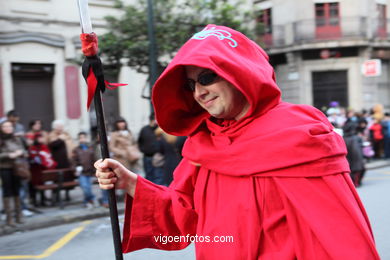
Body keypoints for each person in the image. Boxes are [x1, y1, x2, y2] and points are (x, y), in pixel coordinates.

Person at [95, 25, 380, 259]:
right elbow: (183, 217)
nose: (199, 92)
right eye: (190, 84)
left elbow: (341, 241)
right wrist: (130, 182)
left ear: (240, 72)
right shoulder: (203, 145)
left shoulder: (298, 135)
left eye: (207, 77)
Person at [0, 121, 27, 227]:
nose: (8, 128)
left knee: (17, 191)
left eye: (9, 126)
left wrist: (21, 153)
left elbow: (24, 151)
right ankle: (9, 218)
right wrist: (8, 155)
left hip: (17, 168)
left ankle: (19, 216)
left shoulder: (16, 138)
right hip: (4, 168)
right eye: (5, 126)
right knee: (7, 192)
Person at [28, 133, 57, 206]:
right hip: (35, 171)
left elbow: (48, 157)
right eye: (39, 138)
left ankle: (43, 200)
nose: (41, 139)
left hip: (44, 170)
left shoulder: (44, 147)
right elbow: (32, 158)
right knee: (35, 185)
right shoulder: (32, 148)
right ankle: (35, 201)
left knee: (43, 184)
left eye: (41, 138)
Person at [137, 114, 164, 185]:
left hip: (158, 157)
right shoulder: (144, 129)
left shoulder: (160, 130)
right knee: (149, 176)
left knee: (158, 176)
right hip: (147, 156)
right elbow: (140, 141)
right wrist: (142, 149)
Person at [72, 132, 96, 209]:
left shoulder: (91, 148)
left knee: (88, 188)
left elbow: (94, 159)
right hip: (82, 172)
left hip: (90, 171)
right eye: (80, 138)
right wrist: (75, 169)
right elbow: (73, 161)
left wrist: (95, 170)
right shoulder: (76, 149)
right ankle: (91, 199)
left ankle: (87, 201)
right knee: (85, 188)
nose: (82, 139)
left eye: (84, 137)